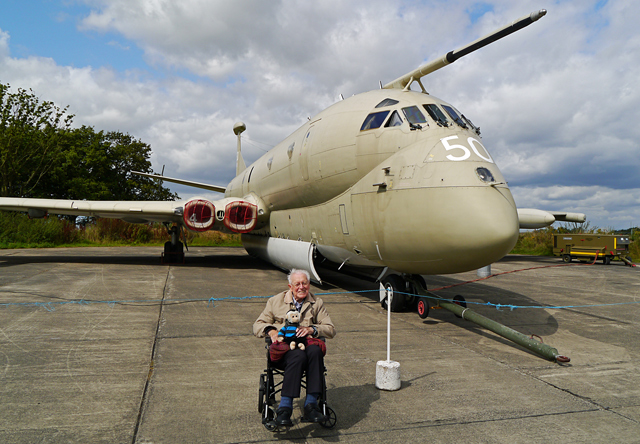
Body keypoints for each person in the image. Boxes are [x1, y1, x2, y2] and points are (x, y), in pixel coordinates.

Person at [253, 268, 336, 427]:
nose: (301, 287)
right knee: (298, 356)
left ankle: (311, 405)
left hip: (308, 349)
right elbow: (257, 325)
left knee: (315, 350)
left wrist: (312, 329)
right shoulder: (275, 301)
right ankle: (285, 408)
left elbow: (330, 328)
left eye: (304, 283)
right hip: (285, 352)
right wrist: (271, 331)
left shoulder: (316, 303)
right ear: (290, 286)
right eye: (297, 284)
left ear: (309, 285)